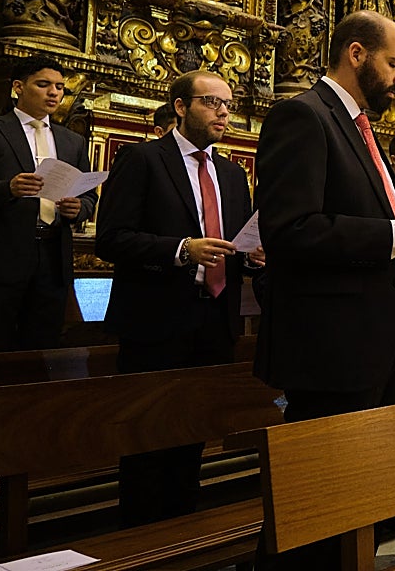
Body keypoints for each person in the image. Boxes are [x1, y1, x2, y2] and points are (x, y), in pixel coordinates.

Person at [253, 12, 395, 568]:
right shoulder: (304, 116)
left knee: (353, 498)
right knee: (315, 505)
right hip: (331, 347)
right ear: (357, 54)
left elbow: (372, 222)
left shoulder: (363, 129)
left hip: (375, 341)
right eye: (394, 64)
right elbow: (292, 230)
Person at [96, 69, 261, 526]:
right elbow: (112, 238)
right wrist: (181, 249)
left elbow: (234, 244)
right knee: (148, 438)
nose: (223, 112)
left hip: (214, 321)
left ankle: (181, 529)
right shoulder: (143, 159)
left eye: (227, 104)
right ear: (181, 107)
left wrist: (253, 258)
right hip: (156, 320)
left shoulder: (230, 173)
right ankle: (139, 535)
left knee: (194, 435)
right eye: (211, 102)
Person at [0, 56, 97, 352]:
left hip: (53, 256)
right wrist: (7, 188)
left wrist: (79, 208)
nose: (54, 93)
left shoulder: (72, 141)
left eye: (60, 87)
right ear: (18, 87)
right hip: (0, 258)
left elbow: (89, 195)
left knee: (43, 346)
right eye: (43, 84)